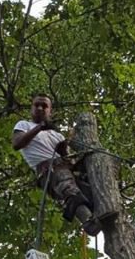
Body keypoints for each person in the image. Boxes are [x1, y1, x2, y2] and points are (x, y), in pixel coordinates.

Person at [12, 94, 101, 236]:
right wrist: (40, 127)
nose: (40, 108)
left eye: (44, 106)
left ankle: (103, 213)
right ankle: (88, 222)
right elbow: (17, 144)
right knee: (68, 189)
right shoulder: (24, 125)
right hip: (48, 170)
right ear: (31, 108)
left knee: (90, 187)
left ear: (50, 110)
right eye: (37, 105)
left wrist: (63, 148)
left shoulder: (56, 134)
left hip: (65, 166)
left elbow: (66, 157)